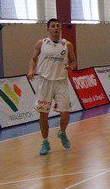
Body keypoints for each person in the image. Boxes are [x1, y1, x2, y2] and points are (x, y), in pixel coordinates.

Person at [27, 18, 77, 156]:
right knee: (43, 114)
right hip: (45, 82)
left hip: (61, 82)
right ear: (48, 28)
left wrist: (71, 67)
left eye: (58, 26)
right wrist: (31, 70)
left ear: (60, 28)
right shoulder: (42, 43)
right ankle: (45, 141)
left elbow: (73, 61)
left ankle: (62, 132)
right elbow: (33, 58)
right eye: (53, 26)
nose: (56, 28)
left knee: (65, 112)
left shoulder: (67, 44)